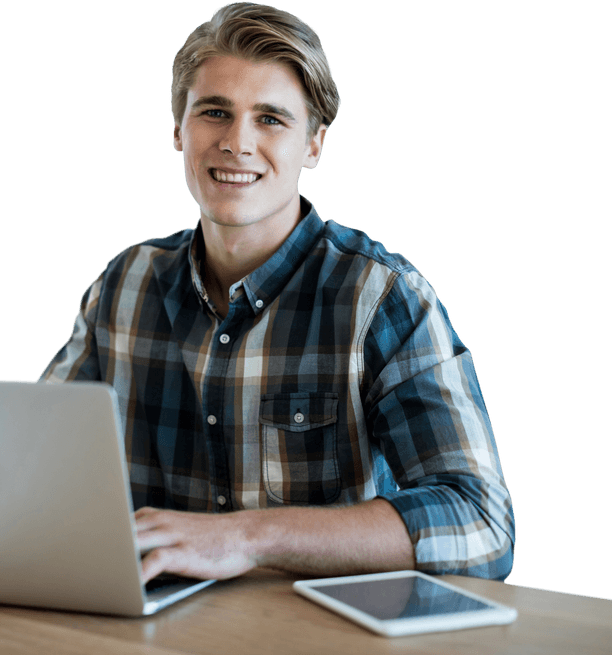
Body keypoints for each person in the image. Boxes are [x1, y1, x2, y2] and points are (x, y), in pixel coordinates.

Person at [41, 2, 515, 583]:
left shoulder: (382, 296)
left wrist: (245, 538)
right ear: (177, 131)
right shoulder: (124, 284)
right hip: (150, 628)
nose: (237, 142)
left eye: (271, 119)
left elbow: (480, 522)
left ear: (314, 145)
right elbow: (30, 468)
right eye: (214, 112)